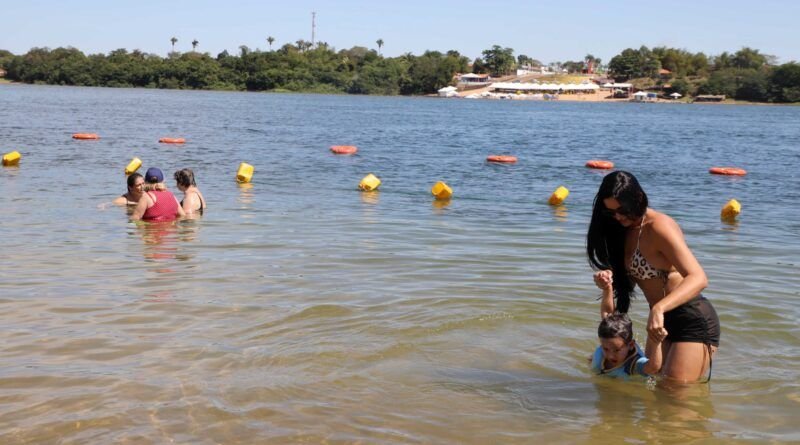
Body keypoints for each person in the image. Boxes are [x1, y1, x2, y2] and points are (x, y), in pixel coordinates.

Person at [587, 171, 720, 382]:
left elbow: (698, 277)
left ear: (638, 198)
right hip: (660, 322)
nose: (618, 216)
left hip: (691, 320)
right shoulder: (623, 230)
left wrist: (659, 308)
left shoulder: (659, 226)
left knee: (674, 393)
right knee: (654, 389)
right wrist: (608, 285)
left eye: (622, 210)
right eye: (611, 212)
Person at [591, 313, 662, 378]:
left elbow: (653, 369)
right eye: (605, 349)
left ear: (631, 345)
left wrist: (657, 342)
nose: (610, 356)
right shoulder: (601, 351)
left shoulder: (634, 364)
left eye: (616, 350)